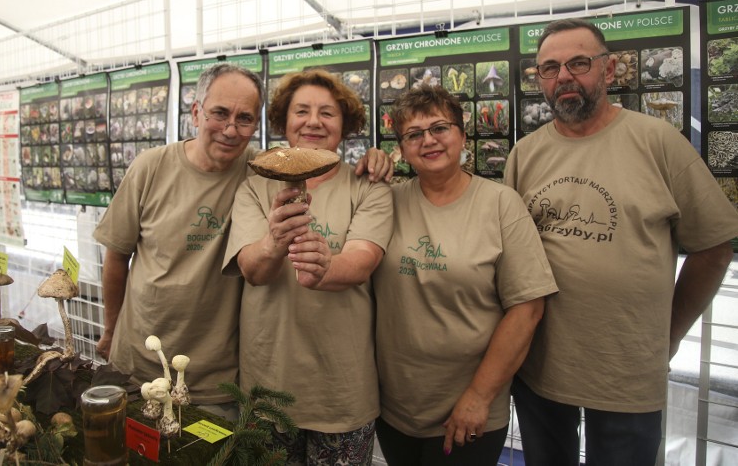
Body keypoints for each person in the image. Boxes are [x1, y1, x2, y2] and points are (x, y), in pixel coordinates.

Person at [94, 64, 391, 420]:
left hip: (216, 375)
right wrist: (110, 329)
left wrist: (378, 155)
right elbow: (116, 255)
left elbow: (310, 157)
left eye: (245, 119)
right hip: (139, 361)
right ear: (195, 112)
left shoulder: (261, 169)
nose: (230, 129)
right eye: (219, 113)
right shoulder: (153, 167)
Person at [504, 18, 738, 466]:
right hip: (539, 369)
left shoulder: (659, 143)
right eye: (550, 68)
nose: (564, 77)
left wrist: (668, 336)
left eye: (579, 63)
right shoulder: (525, 153)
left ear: (609, 71)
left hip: (626, 371)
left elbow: (713, 246)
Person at [372, 84, 557, 466]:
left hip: (468, 411)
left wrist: (479, 396)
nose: (429, 141)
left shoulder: (500, 203)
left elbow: (528, 308)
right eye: (414, 134)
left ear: (461, 134)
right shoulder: (386, 201)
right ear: (401, 149)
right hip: (395, 407)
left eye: (440, 128)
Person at [222, 69, 393, 464]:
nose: (314, 121)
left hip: (342, 391)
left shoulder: (368, 186)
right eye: (302, 111)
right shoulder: (254, 186)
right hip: (269, 386)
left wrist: (325, 268)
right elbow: (253, 270)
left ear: (345, 126)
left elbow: (360, 263)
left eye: (327, 113)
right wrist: (273, 243)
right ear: (284, 122)